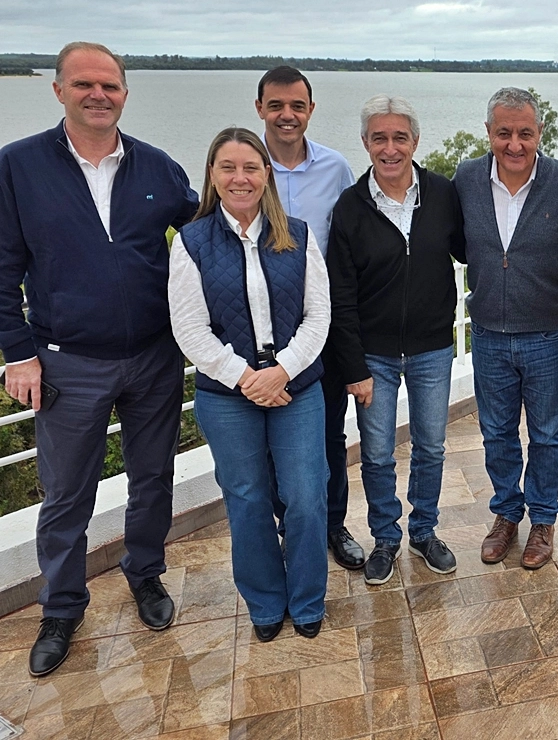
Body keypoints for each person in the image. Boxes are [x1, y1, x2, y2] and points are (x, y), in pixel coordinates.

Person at [0, 42, 197, 677]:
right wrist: (17, 355)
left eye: (110, 86)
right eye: (84, 84)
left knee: (153, 479)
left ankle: (146, 575)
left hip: (154, 357)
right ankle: (60, 608)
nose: (99, 95)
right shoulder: (17, 168)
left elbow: (207, 236)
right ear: (58, 90)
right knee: (65, 494)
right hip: (66, 363)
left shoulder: (156, 168)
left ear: (124, 94)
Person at [169, 128, 332, 642]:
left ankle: (306, 600)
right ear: (212, 176)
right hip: (227, 395)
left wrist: (281, 370)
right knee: (247, 500)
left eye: (250, 168)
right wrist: (246, 378)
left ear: (266, 176)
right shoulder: (191, 243)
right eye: (227, 168)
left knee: (306, 496)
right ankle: (265, 603)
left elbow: (318, 315)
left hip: (295, 388)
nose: (240, 178)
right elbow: (189, 328)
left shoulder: (299, 236)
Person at [454, 87, 558, 570]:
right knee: (496, 433)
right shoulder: (467, 178)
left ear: (540, 133)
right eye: (504, 133)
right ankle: (506, 515)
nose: (514, 144)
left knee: (547, 434)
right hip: (489, 333)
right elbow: (456, 241)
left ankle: (543, 520)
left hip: (545, 335)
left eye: (525, 133)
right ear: (489, 133)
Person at [325, 95, 465, 585]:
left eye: (399, 137)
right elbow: (339, 295)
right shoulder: (349, 207)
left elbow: (478, 249)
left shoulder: (444, 195)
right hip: (373, 355)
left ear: (415, 142)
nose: (390, 148)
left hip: (431, 348)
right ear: (365, 143)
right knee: (378, 453)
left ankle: (424, 531)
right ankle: (386, 537)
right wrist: (353, 367)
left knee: (431, 448)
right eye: (379, 138)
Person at [255, 66, 361, 571]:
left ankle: (332, 524)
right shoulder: (246, 169)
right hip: (260, 331)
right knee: (269, 441)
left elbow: (352, 238)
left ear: (311, 110)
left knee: (328, 436)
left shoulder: (336, 169)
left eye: (297, 105)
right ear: (260, 109)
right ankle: (286, 526)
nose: (287, 115)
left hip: (323, 328)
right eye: (276, 105)